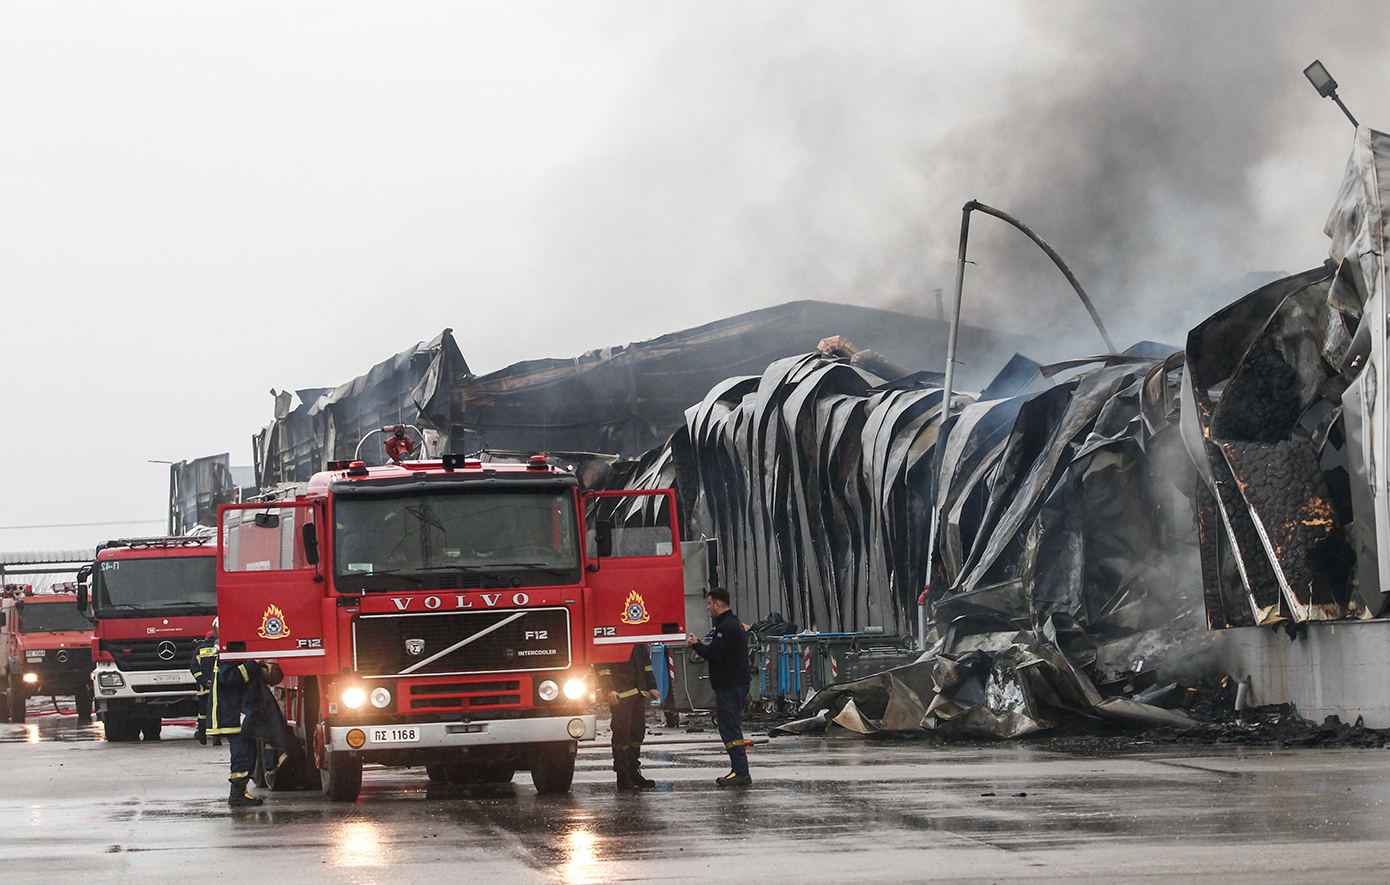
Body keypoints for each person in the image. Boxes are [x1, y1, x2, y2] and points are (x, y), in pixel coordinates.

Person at [687, 587, 752, 787]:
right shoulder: (731, 624)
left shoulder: (726, 627)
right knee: (729, 726)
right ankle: (738, 769)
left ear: (717, 604)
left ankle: (741, 771)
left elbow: (715, 654)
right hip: (733, 683)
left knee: (730, 727)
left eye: (709, 603)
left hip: (730, 685)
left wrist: (696, 645)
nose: (707, 608)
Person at [209, 651, 287, 808]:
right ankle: (237, 794)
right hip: (234, 715)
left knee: (248, 751)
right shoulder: (228, 657)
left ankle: (240, 792)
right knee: (242, 753)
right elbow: (231, 677)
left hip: (238, 713)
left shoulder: (230, 655)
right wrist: (253, 663)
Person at [595, 643, 660, 790]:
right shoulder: (610, 640)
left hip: (638, 693)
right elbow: (602, 667)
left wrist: (651, 686)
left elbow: (646, 665)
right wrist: (609, 689)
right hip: (620, 696)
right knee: (622, 734)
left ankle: (633, 771)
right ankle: (622, 775)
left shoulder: (638, 642)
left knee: (637, 734)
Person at [190, 627, 219, 746]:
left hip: (203, 689)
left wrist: (203, 680)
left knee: (203, 713)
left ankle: (202, 734)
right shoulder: (219, 649)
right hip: (218, 688)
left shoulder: (199, 649)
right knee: (217, 712)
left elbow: (194, 668)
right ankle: (216, 738)